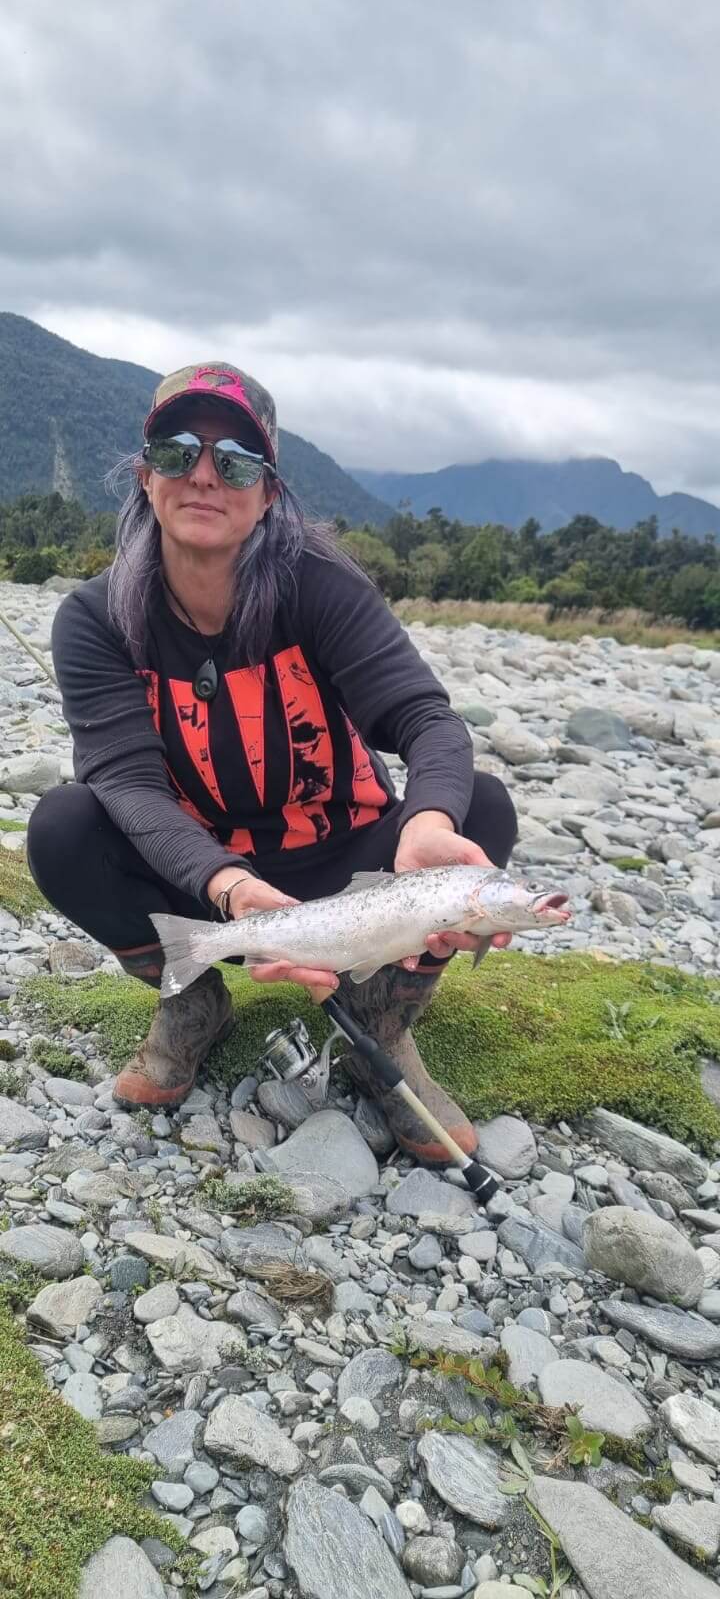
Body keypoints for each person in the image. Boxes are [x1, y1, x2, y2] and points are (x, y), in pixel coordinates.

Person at [27, 362, 517, 1164]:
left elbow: (427, 720)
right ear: (147, 477)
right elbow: (126, 782)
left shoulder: (320, 588)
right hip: (204, 877)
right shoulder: (95, 618)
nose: (206, 476)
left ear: (268, 493)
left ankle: (378, 1024)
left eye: (238, 462)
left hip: (340, 864)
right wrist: (230, 888)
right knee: (64, 827)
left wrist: (427, 823)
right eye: (179, 452)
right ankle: (194, 999)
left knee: (481, 808)